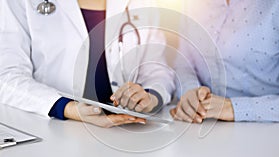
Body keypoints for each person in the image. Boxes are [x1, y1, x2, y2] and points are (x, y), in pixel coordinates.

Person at [0, 0, 174, 128]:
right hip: (52, 130)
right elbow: (6, 76)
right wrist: (68, 108)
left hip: (126, 132)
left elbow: (157, 68)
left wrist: (150, 97)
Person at [171, 0, 279, 123]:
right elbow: (184, 61)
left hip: (271, 130)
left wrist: (234, 108)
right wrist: (191, 92)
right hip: (202, 126)